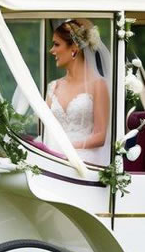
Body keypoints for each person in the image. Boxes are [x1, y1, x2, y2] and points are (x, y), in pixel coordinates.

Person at [44, 19, 110, 165]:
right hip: (53, 158)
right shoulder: (53, 87)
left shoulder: (98, 85)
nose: (51, 50)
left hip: (86, 161)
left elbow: (100, 136)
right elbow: (46, 129)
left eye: (56, 44)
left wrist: (67, 149)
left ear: (74, 48)